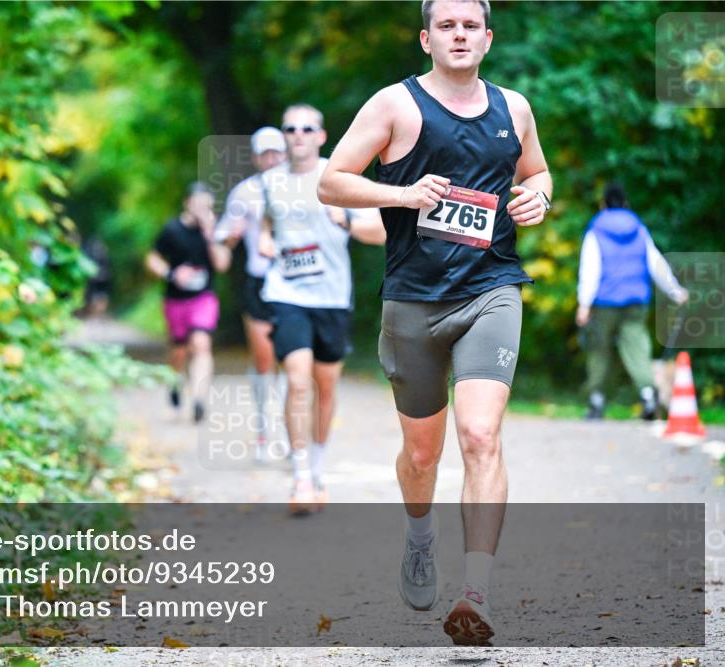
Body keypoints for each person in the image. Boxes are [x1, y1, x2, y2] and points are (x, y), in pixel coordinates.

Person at [317, 0, 552, 646]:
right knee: (422, 453)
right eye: (445, 25)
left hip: (492, 289)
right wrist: (402, 194)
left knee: (479, 434)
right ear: (426, 38)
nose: (458, 35)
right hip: (414, 300)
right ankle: (420, 535)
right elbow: (332, 182)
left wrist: (541, 194)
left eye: (469, 25)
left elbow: (536, 172)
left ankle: (476, 591)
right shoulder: (395, 105)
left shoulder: (517, 108)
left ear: (488, 38)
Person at [258, 104, 385, 515]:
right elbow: (263, 226)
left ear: (321, 135)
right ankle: (299, 476)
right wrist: (263, 241)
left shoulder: (339, 177)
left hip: (332, 297)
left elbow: (381, 232)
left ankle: (316, 466)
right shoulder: (268, 182)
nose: (298, 135)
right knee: (297, 382)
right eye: (290, 128)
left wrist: (346, 219)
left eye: (306, 128)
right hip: (287, 293)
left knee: (325, 388)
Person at [576, 181, 688, 420]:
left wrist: (584, 304)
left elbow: (590, 268)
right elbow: (656, 262)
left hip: (604, 302)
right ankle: (648, 396)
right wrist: (675, 291)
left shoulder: (596, 230)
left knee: (600, 351)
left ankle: (596, 401)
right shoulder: (639, 229)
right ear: (626, 203)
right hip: (636, 301)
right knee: (637, 348)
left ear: (603, 204)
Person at [214, 127, 288, 461]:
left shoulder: (302, 188)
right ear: (257, 157)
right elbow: (223, 239)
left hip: (296, 282)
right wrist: (232, 235)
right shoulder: (244, 193)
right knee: (263, 358)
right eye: (266, 153)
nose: (272, 158)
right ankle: (264, 430)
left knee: (293, 359)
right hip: (259, 280)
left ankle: (288, 431)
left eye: (277, 151)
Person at [145, 182, 230, 423]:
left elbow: (223, 265)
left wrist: (210, 235)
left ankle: (199, 398)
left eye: (207, 205)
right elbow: (152, 258)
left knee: (201, 344)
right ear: (187, 203)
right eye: (198, 203)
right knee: (179, 351)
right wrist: (171, 274)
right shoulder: (172, 230)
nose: (202, 209)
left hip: (203, 298)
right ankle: (175, 382)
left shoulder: (214, 231)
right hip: (176, 300)